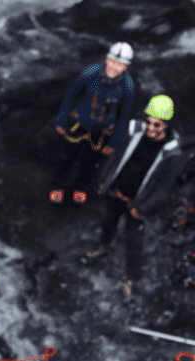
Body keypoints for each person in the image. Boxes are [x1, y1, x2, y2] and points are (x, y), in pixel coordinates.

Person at [83, 95, 185, 300]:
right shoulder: (134, 130)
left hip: (138, 201)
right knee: (109, 220)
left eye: (156, 125)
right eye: (148, 122)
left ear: (166, 125)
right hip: (118, 189)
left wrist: (143, 208)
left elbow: (163, 188)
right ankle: (104, 246)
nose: (150, 128)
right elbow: (117, 156)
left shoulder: (172, 154)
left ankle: (130, 278)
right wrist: (105, 179)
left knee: (134, 239)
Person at [49, 42, 135, 205]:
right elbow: (71, 95)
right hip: (80, 123)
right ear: (107, 59)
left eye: (120, 65)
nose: (115, 67)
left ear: (126, 67)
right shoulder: (91, 73)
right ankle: (57, 185)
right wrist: (61, 119)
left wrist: (114, 142)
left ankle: (80, 188)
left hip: (102, 132)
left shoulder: (127, 86)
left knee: (90, 162)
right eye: (112, 62)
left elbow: (124, 115)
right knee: (67, 156)